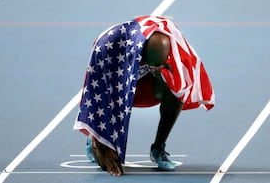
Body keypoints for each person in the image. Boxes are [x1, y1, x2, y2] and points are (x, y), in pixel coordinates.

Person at [74, 16, 215, 176]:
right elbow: (97, 97)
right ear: (142, 51)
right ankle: (95, 133)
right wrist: (103, 142)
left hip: (147, 85)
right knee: (105, 161)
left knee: (175, 92)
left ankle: (158, 147)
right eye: (152, 64)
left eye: (159, 65)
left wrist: (160, 68)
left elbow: (188, 79)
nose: (155, 68)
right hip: (118, 89)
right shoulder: (108, 48)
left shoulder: (169, 44)